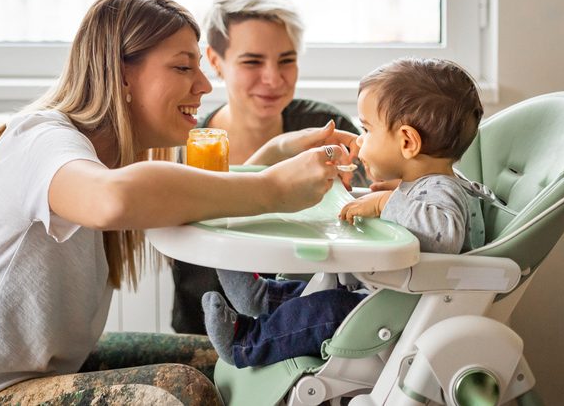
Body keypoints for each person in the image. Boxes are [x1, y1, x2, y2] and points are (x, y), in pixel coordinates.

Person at [0, 0, 357, 406]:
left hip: (33, 376)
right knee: (180, 392)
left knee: (232, 356)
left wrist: (273, 157)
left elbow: (192, 196)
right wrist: (271, 188)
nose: (204, 85)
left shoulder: (111, 159)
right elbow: (111, 201)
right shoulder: (43, 139)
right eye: (182, 66)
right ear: (122, 75)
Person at [202, 57, 489, 368]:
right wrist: (383, 200)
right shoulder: (421, 187)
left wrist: (384, 205)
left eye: (367, 129)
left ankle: (247, 343)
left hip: (404, 314)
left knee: (327, 310)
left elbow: (443, 235)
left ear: (407, 141)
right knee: (319, 293)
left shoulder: (442, 188)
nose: (360, 139)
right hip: (383, 297)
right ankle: (260, 297)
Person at [171, 0, 361, 334]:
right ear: (215, 60)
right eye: (253, 62)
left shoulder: (324, 127)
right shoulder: (190, 146)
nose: (273, 79)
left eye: (286, 60)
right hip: (212, 337)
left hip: (318, 332)